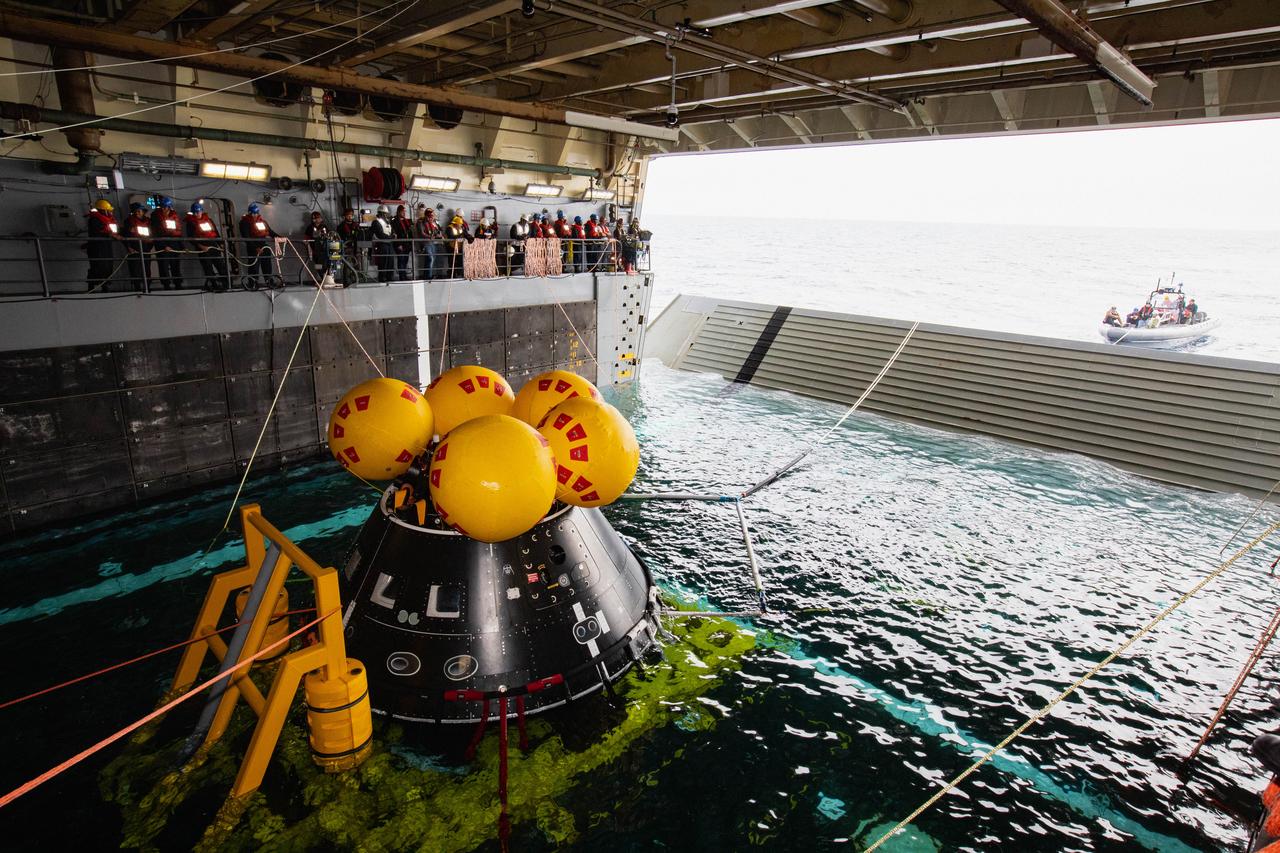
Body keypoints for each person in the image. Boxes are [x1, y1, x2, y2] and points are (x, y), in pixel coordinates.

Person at [184, 202, 228, 291]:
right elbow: (191, 238)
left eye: (198, 211)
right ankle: (214, 285)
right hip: (202, 248)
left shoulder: (209, 220)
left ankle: (227, 284)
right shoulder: (190, 223)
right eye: (195, 212)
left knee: (220, 265)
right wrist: (201, 246)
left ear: (201, 211)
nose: (197, 214)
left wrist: (221, 244)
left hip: (213, 246)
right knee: (208, 267)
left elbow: (215, 233)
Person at [84, 199, 122, 292]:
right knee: (97, 267)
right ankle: (91, 287)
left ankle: (105, 286)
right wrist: (110, 235)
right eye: (109, 210)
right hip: (97, 248)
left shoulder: (109, 220)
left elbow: (114, 230)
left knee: (108, 266)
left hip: (106, 247)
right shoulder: (94, 220)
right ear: (103, 210)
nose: (110, 212)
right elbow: (96, 232)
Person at [239, 202, 276, 288]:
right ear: (249, 213)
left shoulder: (263, 222)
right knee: (253, 266)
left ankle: (269, 281)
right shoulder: (244, 223)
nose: (254, 215)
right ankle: (252, 283)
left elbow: (270, 232)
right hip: (253, 247)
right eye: (252, 213)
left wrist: (280, 238)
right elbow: (246, 237)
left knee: (267, 265)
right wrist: (255, 248)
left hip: (264, 245)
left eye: (256, 213)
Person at [150, 196, 184, 290]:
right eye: (163, 207)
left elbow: (178, 231)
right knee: (163, 265)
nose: (164, 209)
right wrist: (163, 245)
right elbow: (155, 232)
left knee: (175, 265)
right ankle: (166, 285)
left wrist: (182, 246)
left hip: (174, 243)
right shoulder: (155, 216)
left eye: (166, 207)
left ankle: (178, 284)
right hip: (162, 243)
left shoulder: (174, 216)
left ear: (169, 207)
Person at [122, 202, 154, 292]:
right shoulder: (128, 221)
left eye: (139, 211)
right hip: (134, 249)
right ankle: (137, 288)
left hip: (146, 248)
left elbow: (152, 234)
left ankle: (147, 287)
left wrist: (150, 245)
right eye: (136, 211)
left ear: (143, 211)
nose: (138, 213)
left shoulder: (148, 221)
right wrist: (128, 247)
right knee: (135, 269)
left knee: (147, 269)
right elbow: (125, 235)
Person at [336, 208, 363, 286]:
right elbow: (338, 237)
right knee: (347, 265)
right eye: (348, 215)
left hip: (356, 247)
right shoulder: (341, 226)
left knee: (357, 263)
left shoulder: (356, 225)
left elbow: (360, 235)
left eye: (351, 215)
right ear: (345, 216)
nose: (350, 217)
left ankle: (356, 280)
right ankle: (346, 282)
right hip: (346, 247)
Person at [369, 204, 395, 283]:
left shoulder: (387, 222)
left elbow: (391, 231)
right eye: (384, 213)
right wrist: (391, 237)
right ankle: (382, 278)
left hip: (389, 244)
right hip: (382, 244)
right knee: (383, 262)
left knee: (390, 262)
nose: (386, 215)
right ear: (381, 213)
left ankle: (389, 277)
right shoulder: (376, 222)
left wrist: (393, 235)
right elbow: (380, 234)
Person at [304, 211, 332, 282]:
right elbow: (306, 238)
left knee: (327, 264)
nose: (317, 220)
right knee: (318, 265)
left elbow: (329, 236)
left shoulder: (324, 227)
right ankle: (322, 277)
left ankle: (328, 278)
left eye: (318, 218)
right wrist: (307, 243)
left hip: (325, 249)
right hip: (315, 250)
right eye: (315, 218)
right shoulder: (310, 228)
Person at [416, 207, 442, 281]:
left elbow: (437, 231)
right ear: (426, 215)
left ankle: (427, 275)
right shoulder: (420, 222)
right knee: (430, 258)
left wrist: (438, 235)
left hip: (432, 243)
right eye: (429, 216)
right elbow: (421, 233)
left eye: (432, 216)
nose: (431, 218)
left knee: (431, 259)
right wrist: (430, 236)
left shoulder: (433, 223)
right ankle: (428, 276)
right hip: (425, 243)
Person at [444, 211, 470, 278]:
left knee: (460, 261)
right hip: (451, 247)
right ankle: (452, 275)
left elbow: (465, 234)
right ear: (455, 224)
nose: (461, 225)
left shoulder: (461, 228)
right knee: (452, 262)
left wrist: (470, 238)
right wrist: (460, 235)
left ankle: (459, 273)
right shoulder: (449, 228)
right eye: (460, 224)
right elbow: (451, 237)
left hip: (459, 247)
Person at [392, 204, 414, 280]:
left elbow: (410, 232)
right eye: (402, 212)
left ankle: (404, 275)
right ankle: (402, 277)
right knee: (401, 260)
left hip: (407, 244)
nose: (404, 213)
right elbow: (394, 233)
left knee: (405, 260)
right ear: (398, 212)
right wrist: (398, 244)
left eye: (404, 211)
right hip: (400, 244)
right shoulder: (394, 221)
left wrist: (411, 244)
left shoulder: (406, 221)